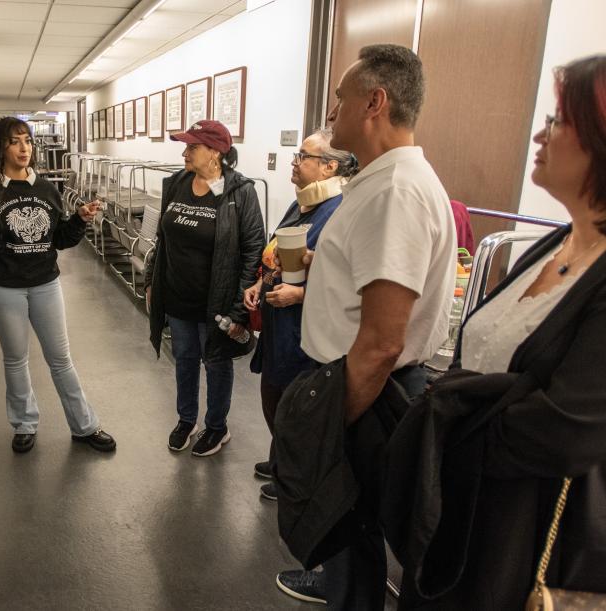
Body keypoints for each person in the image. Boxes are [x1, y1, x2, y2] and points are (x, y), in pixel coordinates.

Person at [391, 54, 606, 610]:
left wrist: (446, 435)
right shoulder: (553, 245)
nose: (541, 132)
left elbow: (565, 429)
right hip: (467, 509)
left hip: (524, 538)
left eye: (559, 120)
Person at [277, 44, 456, 608]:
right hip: (356, 382)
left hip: (365, 388)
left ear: (374, 102)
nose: (332, 114)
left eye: (340, 100)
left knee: (353, 541)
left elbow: (381, 342)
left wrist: (328, 423)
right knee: (350, 543)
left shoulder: (395, 192)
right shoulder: (378, 183)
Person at [0, 117, 115, 454]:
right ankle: (24, 424)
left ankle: (84, 426)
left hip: (45, 284)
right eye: (15, 141)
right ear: (1, 147)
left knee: (61, 359)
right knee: (15, 359)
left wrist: (80, 220)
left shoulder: (45, 189)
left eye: (27, 140)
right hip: (2, 288)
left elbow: (60, 240)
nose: (24, 147)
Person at [244, 127, 357, 501]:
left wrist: (301, 294)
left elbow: (348, 281)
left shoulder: (339, 211)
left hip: (306, 326)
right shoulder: (302, 203)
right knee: (273, 398)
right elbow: (279, 249)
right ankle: (282, 459)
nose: (294, 162)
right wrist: (262, 283)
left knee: (295, 409)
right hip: (279, 320)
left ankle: (296, 477)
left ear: (328, 167)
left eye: (302, 157)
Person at [145, 120, 265, 457]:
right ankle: (186, 420)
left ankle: (217, 426)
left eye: (192, 147)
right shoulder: (178, 183)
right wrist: (152, 280)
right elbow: (162, 240)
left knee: (216, 363)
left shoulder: (240, 192)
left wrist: (240, 310)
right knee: (183, 359)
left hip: (217, 302)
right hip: (178, 296)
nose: (184, 152)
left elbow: (253, 251)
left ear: (215, 152)